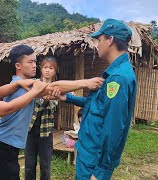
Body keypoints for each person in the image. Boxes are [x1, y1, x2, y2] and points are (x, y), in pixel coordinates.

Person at [0, 44, 104, 180]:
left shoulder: (23, 84)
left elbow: (53, 89)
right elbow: (55, 87)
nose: (34, 65)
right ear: (18, 66)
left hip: (7, 144)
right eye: (30, 62)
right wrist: (86, 83)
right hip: (5, 144)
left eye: (35, 62)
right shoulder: (25, 85)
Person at [54, 19, 137, 180]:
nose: (97, 44)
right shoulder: (114, 73)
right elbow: (98, 106)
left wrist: (100, 172)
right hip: (88, 151)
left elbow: (113, 130)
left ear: (110, 40)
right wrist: (67, 97)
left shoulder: (118, 79)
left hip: (93, 158)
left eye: (99, 40)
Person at [25, 57, 58, 180]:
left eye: (51, 68)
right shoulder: (33, 83)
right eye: (45, 67)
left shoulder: (57, 87)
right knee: (29, 164)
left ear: (54, 71)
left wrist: (49, 98)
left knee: (45, 165)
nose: (48, 70)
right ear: (41, 69)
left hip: (46, 130)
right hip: (30, 128)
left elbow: (54, 104)